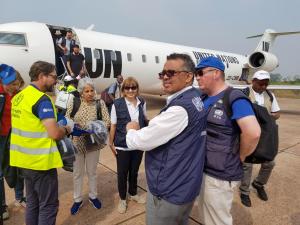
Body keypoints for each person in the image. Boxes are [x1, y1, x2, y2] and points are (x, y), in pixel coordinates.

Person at [125, 53, 208, 225]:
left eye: (171, 73)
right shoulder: (195, 98)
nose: (165, 77)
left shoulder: (179, 109)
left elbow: (141, 141)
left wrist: (131, 130)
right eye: (163, 73)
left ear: (188, 77)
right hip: (186, 184)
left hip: (169, 190)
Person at [195, 56, 261, 225]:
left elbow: (253, 133)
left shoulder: (234, 97)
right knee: (206, 215)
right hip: (202, 169)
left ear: (216, 73)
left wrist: (241, 156)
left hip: (220, 175)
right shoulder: (203, 98)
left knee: (218, 220)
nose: (197, 77)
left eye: (200, 73)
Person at [9, 61, 73, 225]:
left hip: (23, 161)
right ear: (41, 76)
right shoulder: (42, 100)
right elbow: (54, 133)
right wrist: (66, 129)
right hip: (41, 163)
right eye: (53, 77)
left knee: (32, 203)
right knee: (48, 206)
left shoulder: (19, 96)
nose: (55, 81)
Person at [65, 77, 110, 215]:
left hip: (93, 144)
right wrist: (73, 128)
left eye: (92, 90)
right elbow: (67, 119)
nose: (90, 93)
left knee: (92, 172)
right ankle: (77, 199)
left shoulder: (99, 103)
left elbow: (107, 121)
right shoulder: (75, 102)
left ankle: (93, 196)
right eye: (87, 91)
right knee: (77, 173)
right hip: (77, 142)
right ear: (81, 92)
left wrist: (95, 128)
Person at [239, 70, 280, 207]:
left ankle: (259, 184)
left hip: (265, 134)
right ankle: (244, 191)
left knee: (270, 162)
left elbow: (277, 113)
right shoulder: (244, 93)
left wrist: (268, 116)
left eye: (266, 84)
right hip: (248, 133)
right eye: (261, 84)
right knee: (247, 164)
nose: (263, 87)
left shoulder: (270, 95)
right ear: (253, 81)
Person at [109, 77, 147, 214]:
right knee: (122, 173)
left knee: (134, 171)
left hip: (138, 144)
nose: (130, 90)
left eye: (133, 87)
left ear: (137, 89)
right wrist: (110, 143)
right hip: (122, 145)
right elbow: (113, 125)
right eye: (127, 88)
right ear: (123, 90)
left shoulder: (142, 102)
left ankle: (133, 193)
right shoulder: (117, 104)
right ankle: (122, 199)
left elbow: (145, 120)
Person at [0, 64, 25, 220]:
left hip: (13, 135)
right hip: (1, 137)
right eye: (12, 84)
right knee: (0, 172)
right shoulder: (1, 94)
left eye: (17, 84)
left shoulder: (18, 94)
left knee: (17, 165)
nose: (15, 87)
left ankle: (19, 197)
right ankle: (2, 205)